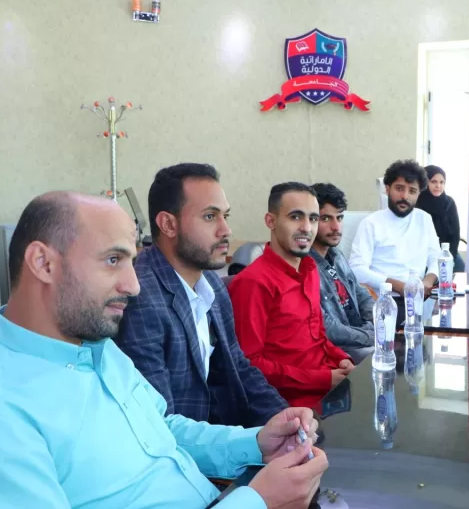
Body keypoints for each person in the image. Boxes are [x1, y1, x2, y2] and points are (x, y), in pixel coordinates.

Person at [0, 192, 327, 509]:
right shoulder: (4, 409)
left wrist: (255, 443)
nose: (134, 285)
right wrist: (257, 501)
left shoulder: (97, 347)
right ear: (43, 263)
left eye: (132, 260)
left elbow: (160, 430)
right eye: (113, 260)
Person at [116, 163, 287, 428]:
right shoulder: (141, 299)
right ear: (168, 225)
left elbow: (238, 366)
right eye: (210, 217)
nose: (225, 230)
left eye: (225, 216)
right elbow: (160, 426)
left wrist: (284, 418)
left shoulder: (210, 282)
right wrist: (251, 444)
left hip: (221, 434)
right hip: (184, 455)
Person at [229, 182, 354, 408]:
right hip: (290, 408)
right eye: (296, 217)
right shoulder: (253, 283)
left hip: (329, 391)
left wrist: (341, 358)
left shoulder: (310, 269)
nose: (307, 227)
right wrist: (324, 378)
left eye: (314, 218)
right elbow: (250, 365)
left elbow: (317, 336)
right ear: (271, 221)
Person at [349, 160, 441, 310]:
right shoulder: (371, 223)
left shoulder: (424, 219)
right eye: (399, 188)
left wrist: (427, 282)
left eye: (412, 191)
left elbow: (435, 257)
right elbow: (356, 269)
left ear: (419, 194)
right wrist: (398, 286)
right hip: (381, 301)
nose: (405, 196)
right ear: (387, 189)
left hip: (419, 299)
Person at [310, 183, 374, 363]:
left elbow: (361, 296)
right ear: (311, 220)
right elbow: (327, 328)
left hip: (359, 337)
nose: (336, 227)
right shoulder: (304, 266)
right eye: (326, 219)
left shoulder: (336, 254)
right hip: (337, 351)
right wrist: (369, 336)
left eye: (339, 218)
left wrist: (376, 321)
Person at [416, 165, 465, 272]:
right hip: (424, 255)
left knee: (460, 269)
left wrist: (449, 258)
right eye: (433, 182)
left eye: (442, 182)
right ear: (425, 183)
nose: (438, 186)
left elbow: (455, 235)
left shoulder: (449, 203)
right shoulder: (417, 204)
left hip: (447, 252)